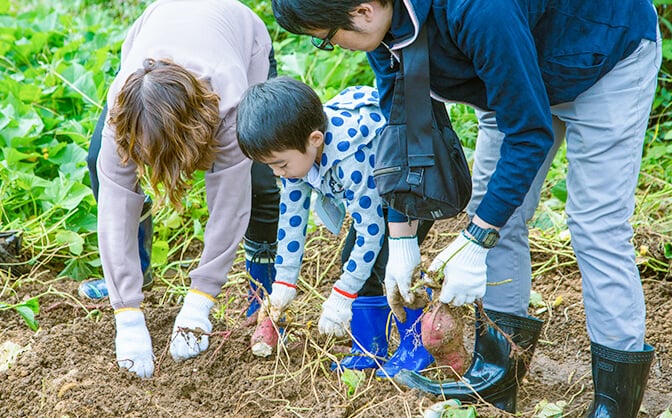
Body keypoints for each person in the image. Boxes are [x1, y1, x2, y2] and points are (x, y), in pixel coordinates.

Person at [270, 0, 662, 415]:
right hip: (510, 85)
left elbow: (529, 134)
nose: (335, 46)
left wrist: (476, 241)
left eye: (329, 39)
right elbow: (401, 134)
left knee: (595, 228)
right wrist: (400, 236)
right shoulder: (382, 33)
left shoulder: (479, 10)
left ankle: (614, 403)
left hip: (598, 56)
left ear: (363, 10)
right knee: (497, 215)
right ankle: (497, 375)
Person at [86, 0, 281, 378]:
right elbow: (114, 206)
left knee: (260, 181)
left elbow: (229, 203)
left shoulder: (229, 105)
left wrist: (200, 301)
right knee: (99, 163)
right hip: (158, 25)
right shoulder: (121, 116)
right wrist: (126, 313)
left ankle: (263, 293)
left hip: (239, 36)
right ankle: (135, 277)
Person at [236, 76, 434, 377]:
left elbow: (370, 231)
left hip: (417, 188)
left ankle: (416, 346)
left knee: (388, 265)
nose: (277, 173)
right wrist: (284, 285)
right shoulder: (296, 153)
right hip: (378, 196)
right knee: (352, 261)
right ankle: (369, 347)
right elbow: (291, 222)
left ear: (314, 140)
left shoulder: (347, 156)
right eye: (270, 166)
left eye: (281, 165)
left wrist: (342, 296)